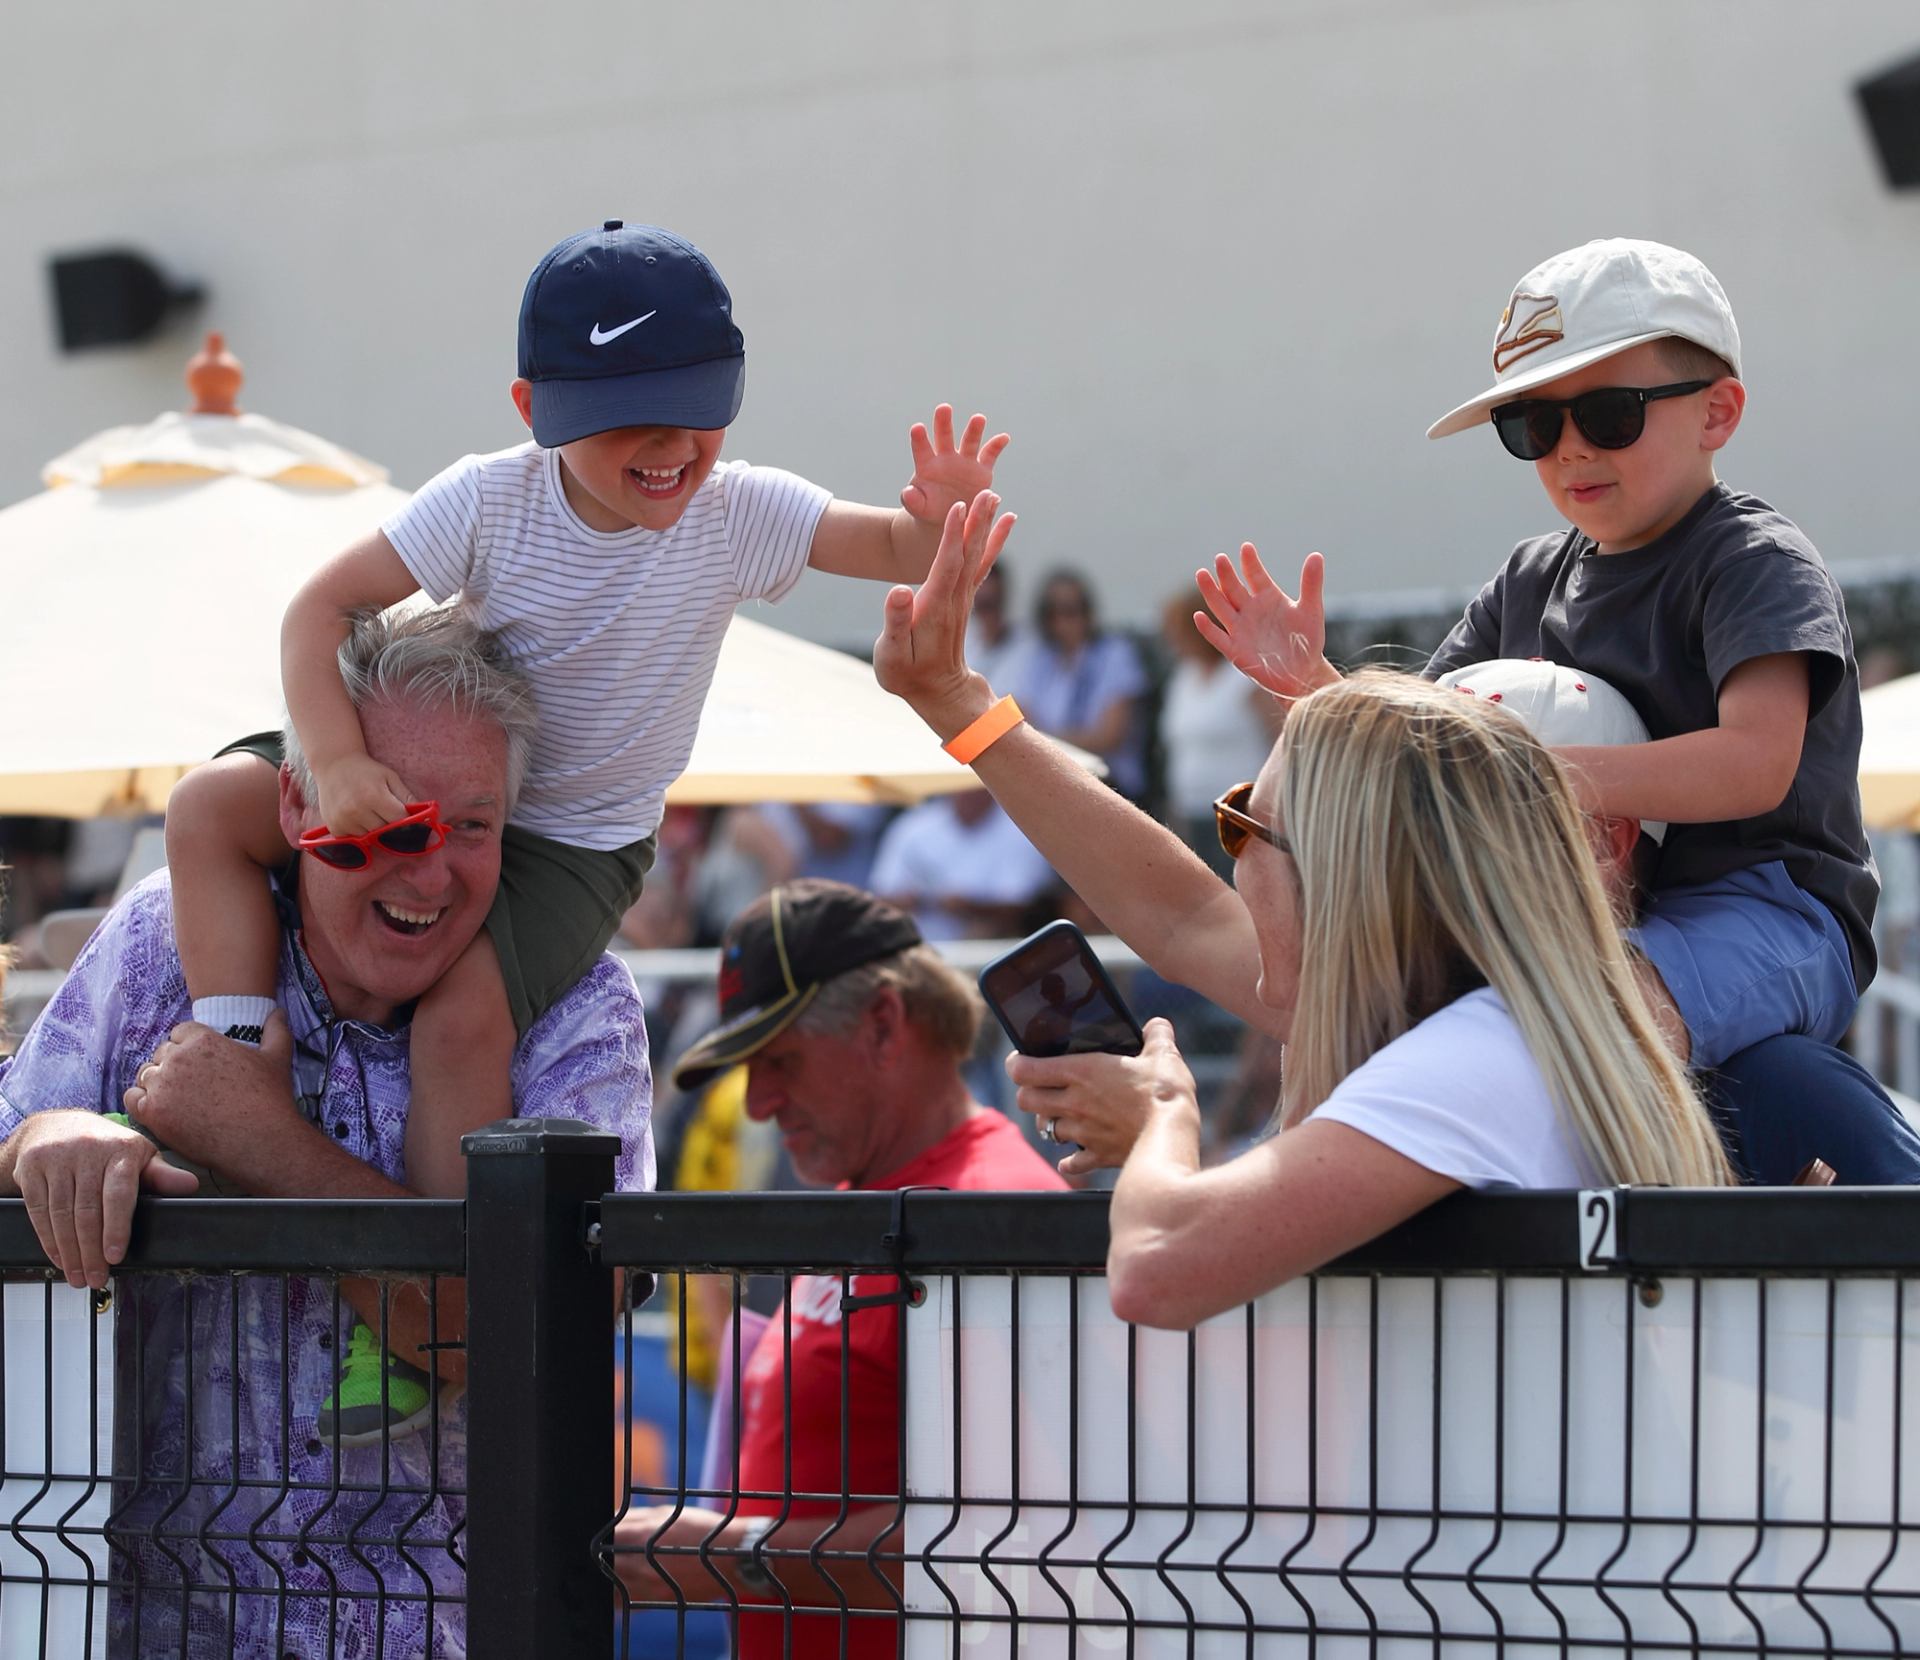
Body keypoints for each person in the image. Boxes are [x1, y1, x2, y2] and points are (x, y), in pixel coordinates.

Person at [162, 221, 1006, 1418]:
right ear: (533, 408)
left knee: (461, 1020)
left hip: (572, 839)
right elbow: (317, 610)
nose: (671, 448)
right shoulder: (486, 501)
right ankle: (239, 1056)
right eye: (629, 419)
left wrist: (946, 521)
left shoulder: (743, 513)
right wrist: (339, 762)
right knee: (203, 808)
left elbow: (888, 546)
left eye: (698, 411)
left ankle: (418, 1320)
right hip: (435, 778)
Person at [871, 491, 1732, 1332]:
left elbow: (1160, 1265)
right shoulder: (1484, 1009)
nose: (1231, 865)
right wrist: (960, 707)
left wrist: (1162, 1117)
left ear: (1346, 867)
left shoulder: (1474, 1055)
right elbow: (1173, 913)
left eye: (1246, 824)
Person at [0, 606, 654, 1659]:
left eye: (472, 826)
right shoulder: (156, 939)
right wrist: (47, 1138)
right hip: (153, 1632)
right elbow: (8, 1136)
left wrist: (265, 1144)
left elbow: (521, 1344)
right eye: (387, 824)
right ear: (297, 803)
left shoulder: (578, 1009)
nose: (429, 873)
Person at [1192, 238, 1875, 1075]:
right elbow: (1426, 748)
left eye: (1609, 415)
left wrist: (1530, 770)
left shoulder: (1752, 561)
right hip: (1576, 910)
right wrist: (1319, 687)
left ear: (1717, 412)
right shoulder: (1530, 578)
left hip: (1767, 908)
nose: (1571, 450)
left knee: (1590, 1022)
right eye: (1535, 425)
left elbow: (1754, 765)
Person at [608, 879, 1065, 1657]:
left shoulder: (990, 1211)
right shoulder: (878, 1195)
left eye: (780, 1060)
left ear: (885, 1023)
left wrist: (730, 1555)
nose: (757, 1103)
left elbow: (1005, 1543)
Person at [1439, 657, 1920, 1186]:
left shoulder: (1778, 1088)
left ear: (1605, 843)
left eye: (1475, 825)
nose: (1428, 867)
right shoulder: (1405, 1050)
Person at [1157, 582, 1283, 876]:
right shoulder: (1182, 678)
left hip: (1241, 816)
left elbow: (1280, 738)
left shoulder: (1244, 676)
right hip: (1193, 812)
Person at [1008, 567, 1149, 798]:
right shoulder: (1039, 658)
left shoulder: (1115, 654)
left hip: (1110, 784)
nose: (1065, 621)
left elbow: (1110, 735)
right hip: (1057, 780)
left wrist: (1043, 739)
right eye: (1054, 612)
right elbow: (1021, 715)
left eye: (1074, 610)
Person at [868, 786, 1056, 942]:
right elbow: (881, 897)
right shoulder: (911, 827)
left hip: (992, 952)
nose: (968, 794)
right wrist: (914, 900)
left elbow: (1022, 908)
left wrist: (966, 907)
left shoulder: (1020, 830)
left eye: (975, 787)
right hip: (918, 949)